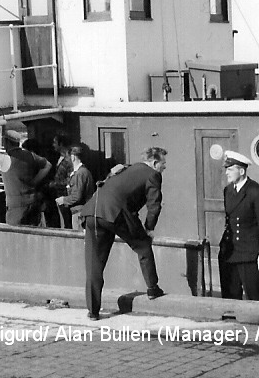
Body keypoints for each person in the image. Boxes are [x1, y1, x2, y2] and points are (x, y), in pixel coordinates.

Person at [79, 147, 168, 320]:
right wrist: (149, 228)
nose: (164, 168)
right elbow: (154, 204)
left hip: (92, 211)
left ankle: (93, 311)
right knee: (143, 246)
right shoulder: (152, 174)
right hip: (116, 213)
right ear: (155, 163)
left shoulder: (127, 168)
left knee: (94, 264)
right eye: (163, 164)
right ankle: (152, 288)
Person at [219, 150, 259, 301]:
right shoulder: (228, 191)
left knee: (254, 296)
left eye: (230, 169)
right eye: (226, 169)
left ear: (242, 171)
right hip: (229, 252)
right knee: (229, 296)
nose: (227, 173)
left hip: (250, 254)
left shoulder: (258, 192)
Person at [0, 130, 52, 226]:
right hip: (33, 203)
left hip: (16, 207)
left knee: (15, 236)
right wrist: (35, 181)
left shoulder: (4, 158)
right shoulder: (30, 155)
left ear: (6, 142)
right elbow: (48, 165)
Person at [55, 146, 95, 230]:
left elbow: (77, 196)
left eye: (67, 157)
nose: (66, 160)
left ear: (73, 157)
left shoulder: (80, 174)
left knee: (79, 239)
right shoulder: (81, 172)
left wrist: (63, 200)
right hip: (80, 212)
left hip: (79, 213)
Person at [45, 134, 74, 227]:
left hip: (66, 196)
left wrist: (55, 184)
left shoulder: (69, 159)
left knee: (67, 223)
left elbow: (72, 179)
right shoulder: (60, 157)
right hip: (59, 195)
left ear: (61, 144)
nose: (53, 145)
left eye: (55, 142)